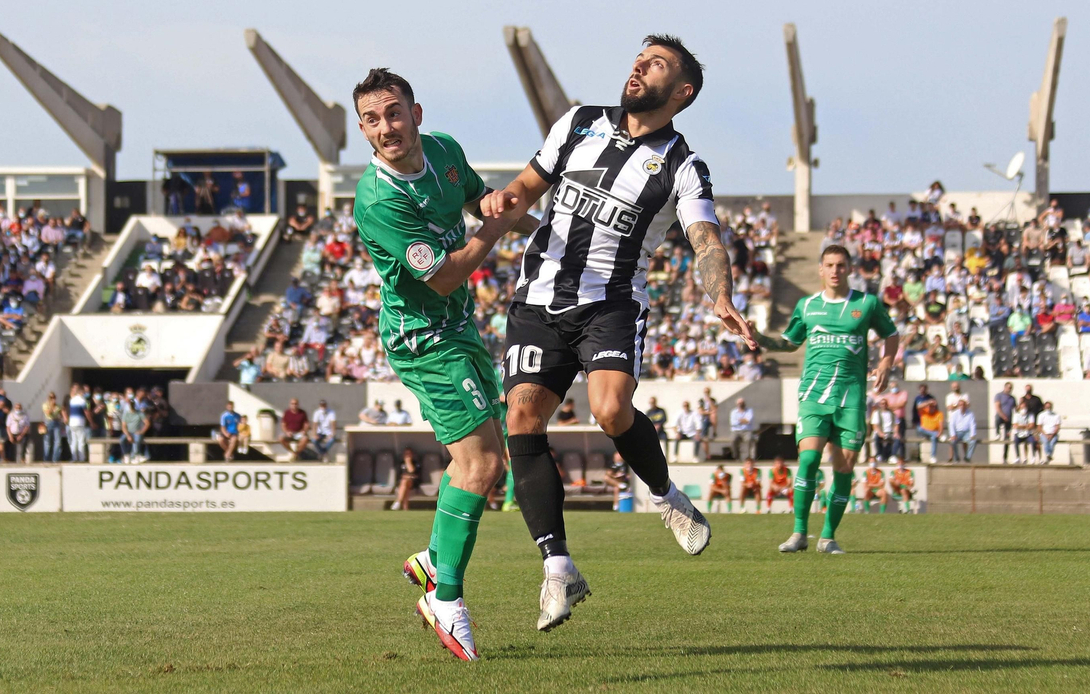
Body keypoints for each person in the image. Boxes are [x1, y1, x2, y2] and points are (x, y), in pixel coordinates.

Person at [478, 36, 753, 636]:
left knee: (608, 410)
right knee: (522, 417)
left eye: (656, 64)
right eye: (639, 58)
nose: (639, 67)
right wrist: (500, 199)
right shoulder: (578, 122)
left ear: (682, 92)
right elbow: (526, 187)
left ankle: (665, 496)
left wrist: (720, 296)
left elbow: (705, 239)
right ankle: (558, 568)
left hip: (611, 304)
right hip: (538, 299)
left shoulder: (683, 165)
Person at [350, 67, 541, 659]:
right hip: (423, 338)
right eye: (371, 120)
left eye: (394, 113)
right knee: (481, 465)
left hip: (459, 327)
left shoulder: (443, 150)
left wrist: (545, 234)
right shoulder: (378, 199)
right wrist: (499, 226)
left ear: (416, 114)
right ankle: (446, 599)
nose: (386, 127)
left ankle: (434, 561)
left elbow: (479, 200)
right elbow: (445, 276)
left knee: (485, 462)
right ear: (363, 130)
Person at [752, 245, 898, 554]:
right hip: (813, 396)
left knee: (844, 468)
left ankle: (828, 537)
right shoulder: (807, 306)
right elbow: (789, 343)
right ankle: (799, 533)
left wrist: (886, 362)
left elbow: (891, 334)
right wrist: (760, 337)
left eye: (841, 265)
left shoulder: (867, 304)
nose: (835, 270)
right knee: (808, 460)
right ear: (821, 269)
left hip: (851, 398)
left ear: (849, 269)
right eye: (829, 265)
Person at [992, 382, 1017, 464]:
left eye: (1011, 388)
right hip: (1001, 416)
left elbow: (1015, 409)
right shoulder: (999, 395)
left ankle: (1005, 457)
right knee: (997, 418)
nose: (1009, 389)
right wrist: (1003, 416)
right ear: (1005, 387)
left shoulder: (1012, 398)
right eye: (1008, 387)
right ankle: (997, 433)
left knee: (1007, 439)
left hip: (1009, 419)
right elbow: (997, 407)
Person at [948, 399, 977, 463]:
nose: (962, 406)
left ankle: (967, 457)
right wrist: (953, 435)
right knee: (952, 442)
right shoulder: (954, 414)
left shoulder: (970, 413)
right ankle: (956, 458)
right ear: (958, 406)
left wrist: (972, 434)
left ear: (966, 406)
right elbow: (951, 425)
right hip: (957, 433)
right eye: (960, 405)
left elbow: (972, 424)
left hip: (967, 432)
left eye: (963, 405)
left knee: (973, 441)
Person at [67, 386, 91, 463]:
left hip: (72, 423)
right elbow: (86, 412)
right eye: (83, 392)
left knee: (74, 441)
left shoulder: (72, 400)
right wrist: (91, 421)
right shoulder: (82, 401)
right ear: (81, 392)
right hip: (80, 423)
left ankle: (74, 458)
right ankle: (81, 458)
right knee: (81, 441)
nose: (84, 394)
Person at [42, 393, 66, 463]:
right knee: (48, 442)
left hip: (56, 422)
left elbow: (62, 413)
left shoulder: (58, 406)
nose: (53, 399)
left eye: (54, 397)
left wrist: (63, 418)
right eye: (51, 398)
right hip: (48, 422)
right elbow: (48, 413)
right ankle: (46, 459)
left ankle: (55, 459)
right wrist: (52, 406)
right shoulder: (45, 405)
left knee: (58, 441)